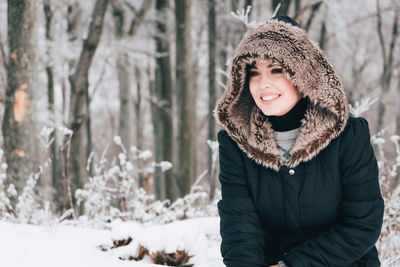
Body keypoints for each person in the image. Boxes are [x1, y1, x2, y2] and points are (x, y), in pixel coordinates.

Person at [214, 15, 384, 267]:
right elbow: (239, 225)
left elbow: (362, 223)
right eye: (254, 73)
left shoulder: (349, 135)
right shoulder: (235, 143)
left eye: (276, 70)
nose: (264, 84)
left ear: (302, 73)